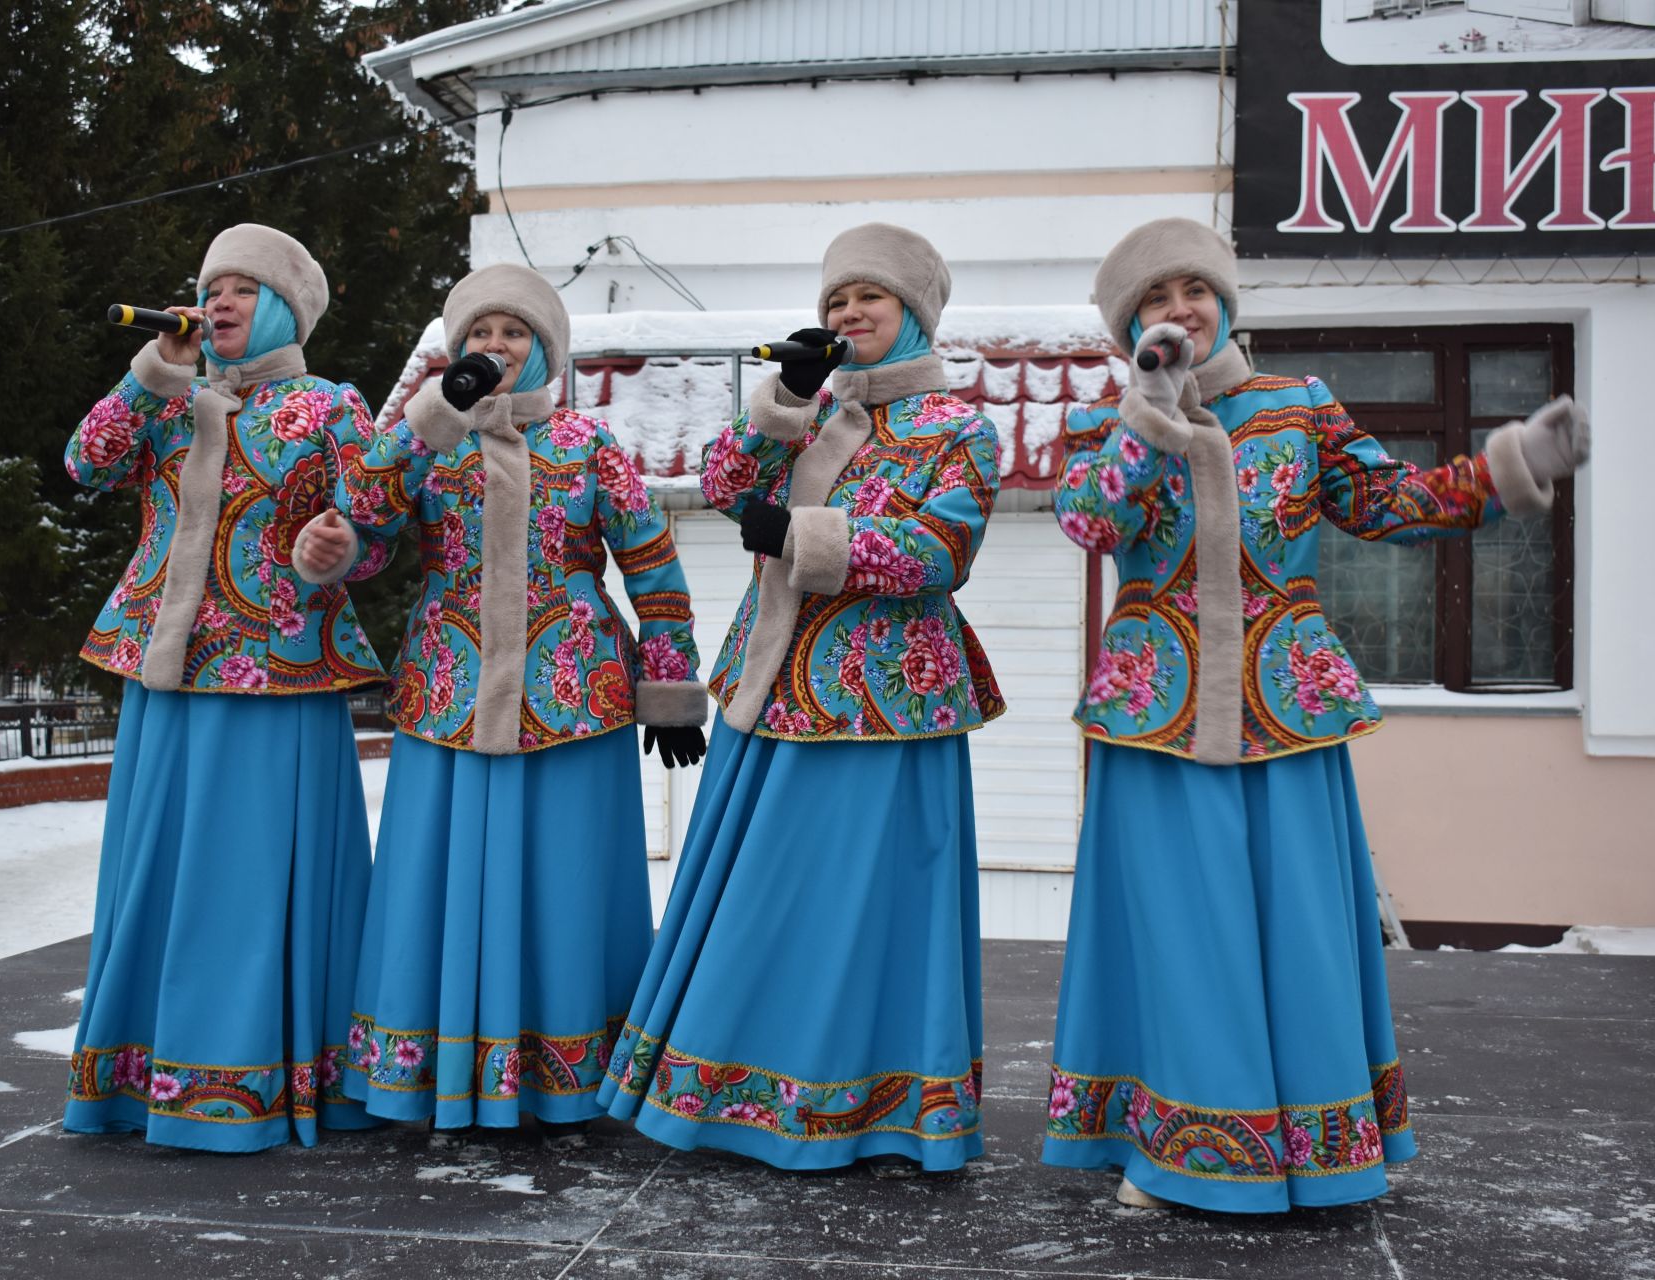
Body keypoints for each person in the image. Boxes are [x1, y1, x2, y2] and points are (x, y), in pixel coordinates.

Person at [1044, 217, 1591, 1211]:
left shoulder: (1299, 404)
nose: (1180, 311)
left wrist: (1507, 465)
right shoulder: (1112, 419)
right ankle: (1183, 1147)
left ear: (1224, 302)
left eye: (1194, 291)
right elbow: (1086, 519)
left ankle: (1312, 1139)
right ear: (1131, 324)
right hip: (1157, 710)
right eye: (1157, 300)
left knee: (1294, 922)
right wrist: (1147, 413)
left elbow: (1389, 500)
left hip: (1282, 704)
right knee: (1180, 927)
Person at [595, 223, 1003, 1174]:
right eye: (835, 301)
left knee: (860, 906)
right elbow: (725, 484)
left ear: (916, 315)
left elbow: (940, 554)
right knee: (761, 901)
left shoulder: (959, 428)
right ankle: (733, 1089)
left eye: (871, 298)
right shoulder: (811, 413)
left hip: (885, 699)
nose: (849, 313)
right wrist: (782, 398)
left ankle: (860, 1098)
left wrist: (804, 537)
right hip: (769, 690)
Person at [292, 263, 708, 1142]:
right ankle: (433, 1068)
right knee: (436, 880)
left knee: (567, 881)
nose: (495, 348)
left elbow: (653, 568)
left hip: (573, 699)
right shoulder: (421, 438)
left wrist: (670, 690)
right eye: (479, 334)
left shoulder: (591, 448)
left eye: (513, 334)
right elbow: (363, 527)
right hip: (450, 691)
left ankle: (567, 1072)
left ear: (546, 352)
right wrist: (423, 423)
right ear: (454, 350)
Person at [62, 223, 388, 1152]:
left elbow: (379, 529)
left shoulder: (330, 406)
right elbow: (86, 463)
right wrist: (152, 372)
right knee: (157, 868)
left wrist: (343, 550)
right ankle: (142, 1073)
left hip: (279, 669)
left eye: (245, 288)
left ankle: (257, 1071)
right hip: (165, 672)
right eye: (213, 287)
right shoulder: (172, 397)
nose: (221, 302)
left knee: (253, 875)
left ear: (284, 305)